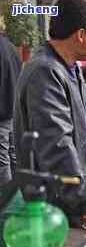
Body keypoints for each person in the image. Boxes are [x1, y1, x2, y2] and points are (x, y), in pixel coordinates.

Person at [13, 0, 86, 231]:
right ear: (81, 35)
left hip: (73, 197)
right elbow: (56, 143)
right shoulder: (45, 71)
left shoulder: (69, 67)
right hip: (58, 203)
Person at [0, 35, 22, 187]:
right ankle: (18, 193)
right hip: (14, 109)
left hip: (2, 112)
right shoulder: (11, 47)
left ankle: (7, 198)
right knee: (14, 155)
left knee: (2, 158)